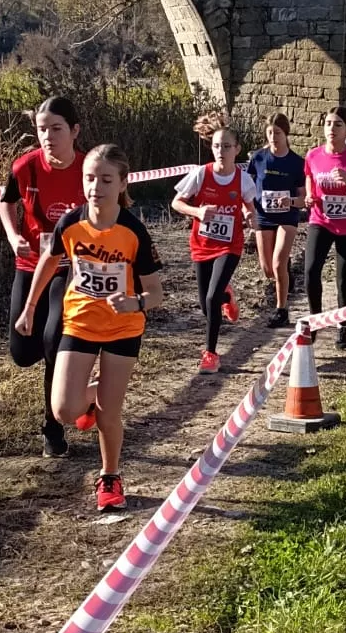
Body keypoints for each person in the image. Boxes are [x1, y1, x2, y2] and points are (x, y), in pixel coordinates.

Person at [16, 144, 165, 514]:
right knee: (64, 409)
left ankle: (109, 477)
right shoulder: (70, 222)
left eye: (106, 179)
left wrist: (137, 302)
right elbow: (48, 264)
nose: (96, 187)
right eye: (90, 178)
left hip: (122, 328)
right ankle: (99, 394)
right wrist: (30, 308)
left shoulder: (134, 231)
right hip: (80, 321)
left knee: (108, 414)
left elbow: (157, 293)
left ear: (122, 183)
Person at [0, 96, 88, 460]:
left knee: (53, 340)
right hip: (31, 264)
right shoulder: (26, 167)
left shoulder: (88, 169)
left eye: (56, 129)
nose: (48, 137)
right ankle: (77, 377)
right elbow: (6, 201)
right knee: (22, 353)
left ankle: (53, 429)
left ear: (74, 131)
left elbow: (115, 210)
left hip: (70, 268)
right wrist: (13, 236)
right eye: (41, 129)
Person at [172, 115, 257, 372]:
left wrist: (249, 215)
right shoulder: (200, 174)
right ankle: (227, 296)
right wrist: (197, 212)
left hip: (229, 245)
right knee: (205, 303)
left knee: (211, 298)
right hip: (202, 243)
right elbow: (176, 203)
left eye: (227, 146)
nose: (221, 151)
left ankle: (210, 354)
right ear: (212, 147)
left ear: (237, 149)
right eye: (217, 146)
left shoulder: (242, 179)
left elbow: (250, 207)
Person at [303, 107, 346, 350]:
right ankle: (315, 320)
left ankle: (343, 327)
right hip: (320, 220)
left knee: (343, 281)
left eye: (338, 125)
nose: (332, 129)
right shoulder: (313, 156)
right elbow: (310, 177)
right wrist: (310, 196)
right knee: (311, 272)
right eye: (328, 123)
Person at [247, 113, 306, 329]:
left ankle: (282, 310)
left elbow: (303, 200)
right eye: (270, 132)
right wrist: (247, 209)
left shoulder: (297, 162)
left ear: (286, 134)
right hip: (263, 215)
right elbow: (248, 186)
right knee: (267, 269)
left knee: (278, 262)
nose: (273, 137)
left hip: (287, 217)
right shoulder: (258, 158)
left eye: (277, 133)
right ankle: (285, 272)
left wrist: (290, 200)